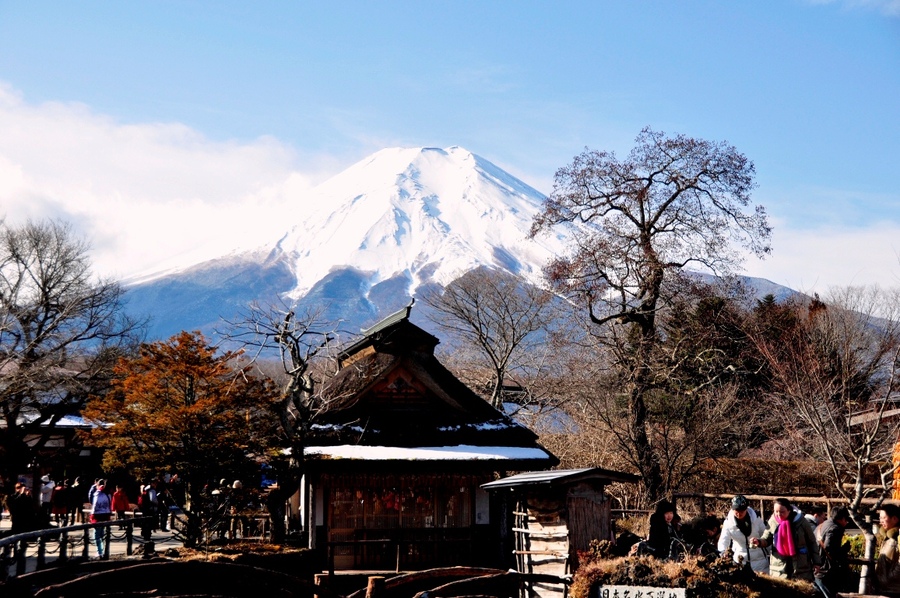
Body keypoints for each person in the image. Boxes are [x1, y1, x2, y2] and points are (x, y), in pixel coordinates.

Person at [755, 497, 822, 581]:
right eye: (776, 512)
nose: (779, 514)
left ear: (789, 510)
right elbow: (766, 539)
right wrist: (759, 542)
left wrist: (816, 562)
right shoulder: (772, 521)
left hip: (800, 567)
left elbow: (812, 542)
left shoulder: (801, 522)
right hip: (779, 567)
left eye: (782, 512)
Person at [718, 494, 770, 574]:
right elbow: (724, 540)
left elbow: (765, 536)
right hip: (740, 560)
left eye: (742, 511)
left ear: (746, 509)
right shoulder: (728, 523)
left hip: (760, 560)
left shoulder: (756, 519)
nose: (739, 513)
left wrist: (770, 552)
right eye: (736, 511)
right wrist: (723, 553)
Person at [814, 506, 851, 598]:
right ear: (842, 518)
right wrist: (844, 549)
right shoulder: (835, 528)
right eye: (846, 519)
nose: (846, 522)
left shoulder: (823, 524)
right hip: (825, 568)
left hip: (816, 565)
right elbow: (829, 547)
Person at [875, 503, 900, 594]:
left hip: (894, 590)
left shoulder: (897, 538)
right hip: (883, 589)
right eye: (880, 518)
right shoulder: (887, 538)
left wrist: (890, 578)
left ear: (895, 519)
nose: (881, 521)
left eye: (883, 518)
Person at [90, 479, 112, 559]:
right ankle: (103, 551)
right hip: (106, 515)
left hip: (97, 515)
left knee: (96, 535)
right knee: (102, 534)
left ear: (98, 485)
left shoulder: (97, 493)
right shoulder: (108, 493)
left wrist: (92, 515)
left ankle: (99, 552)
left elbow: (95, 505)